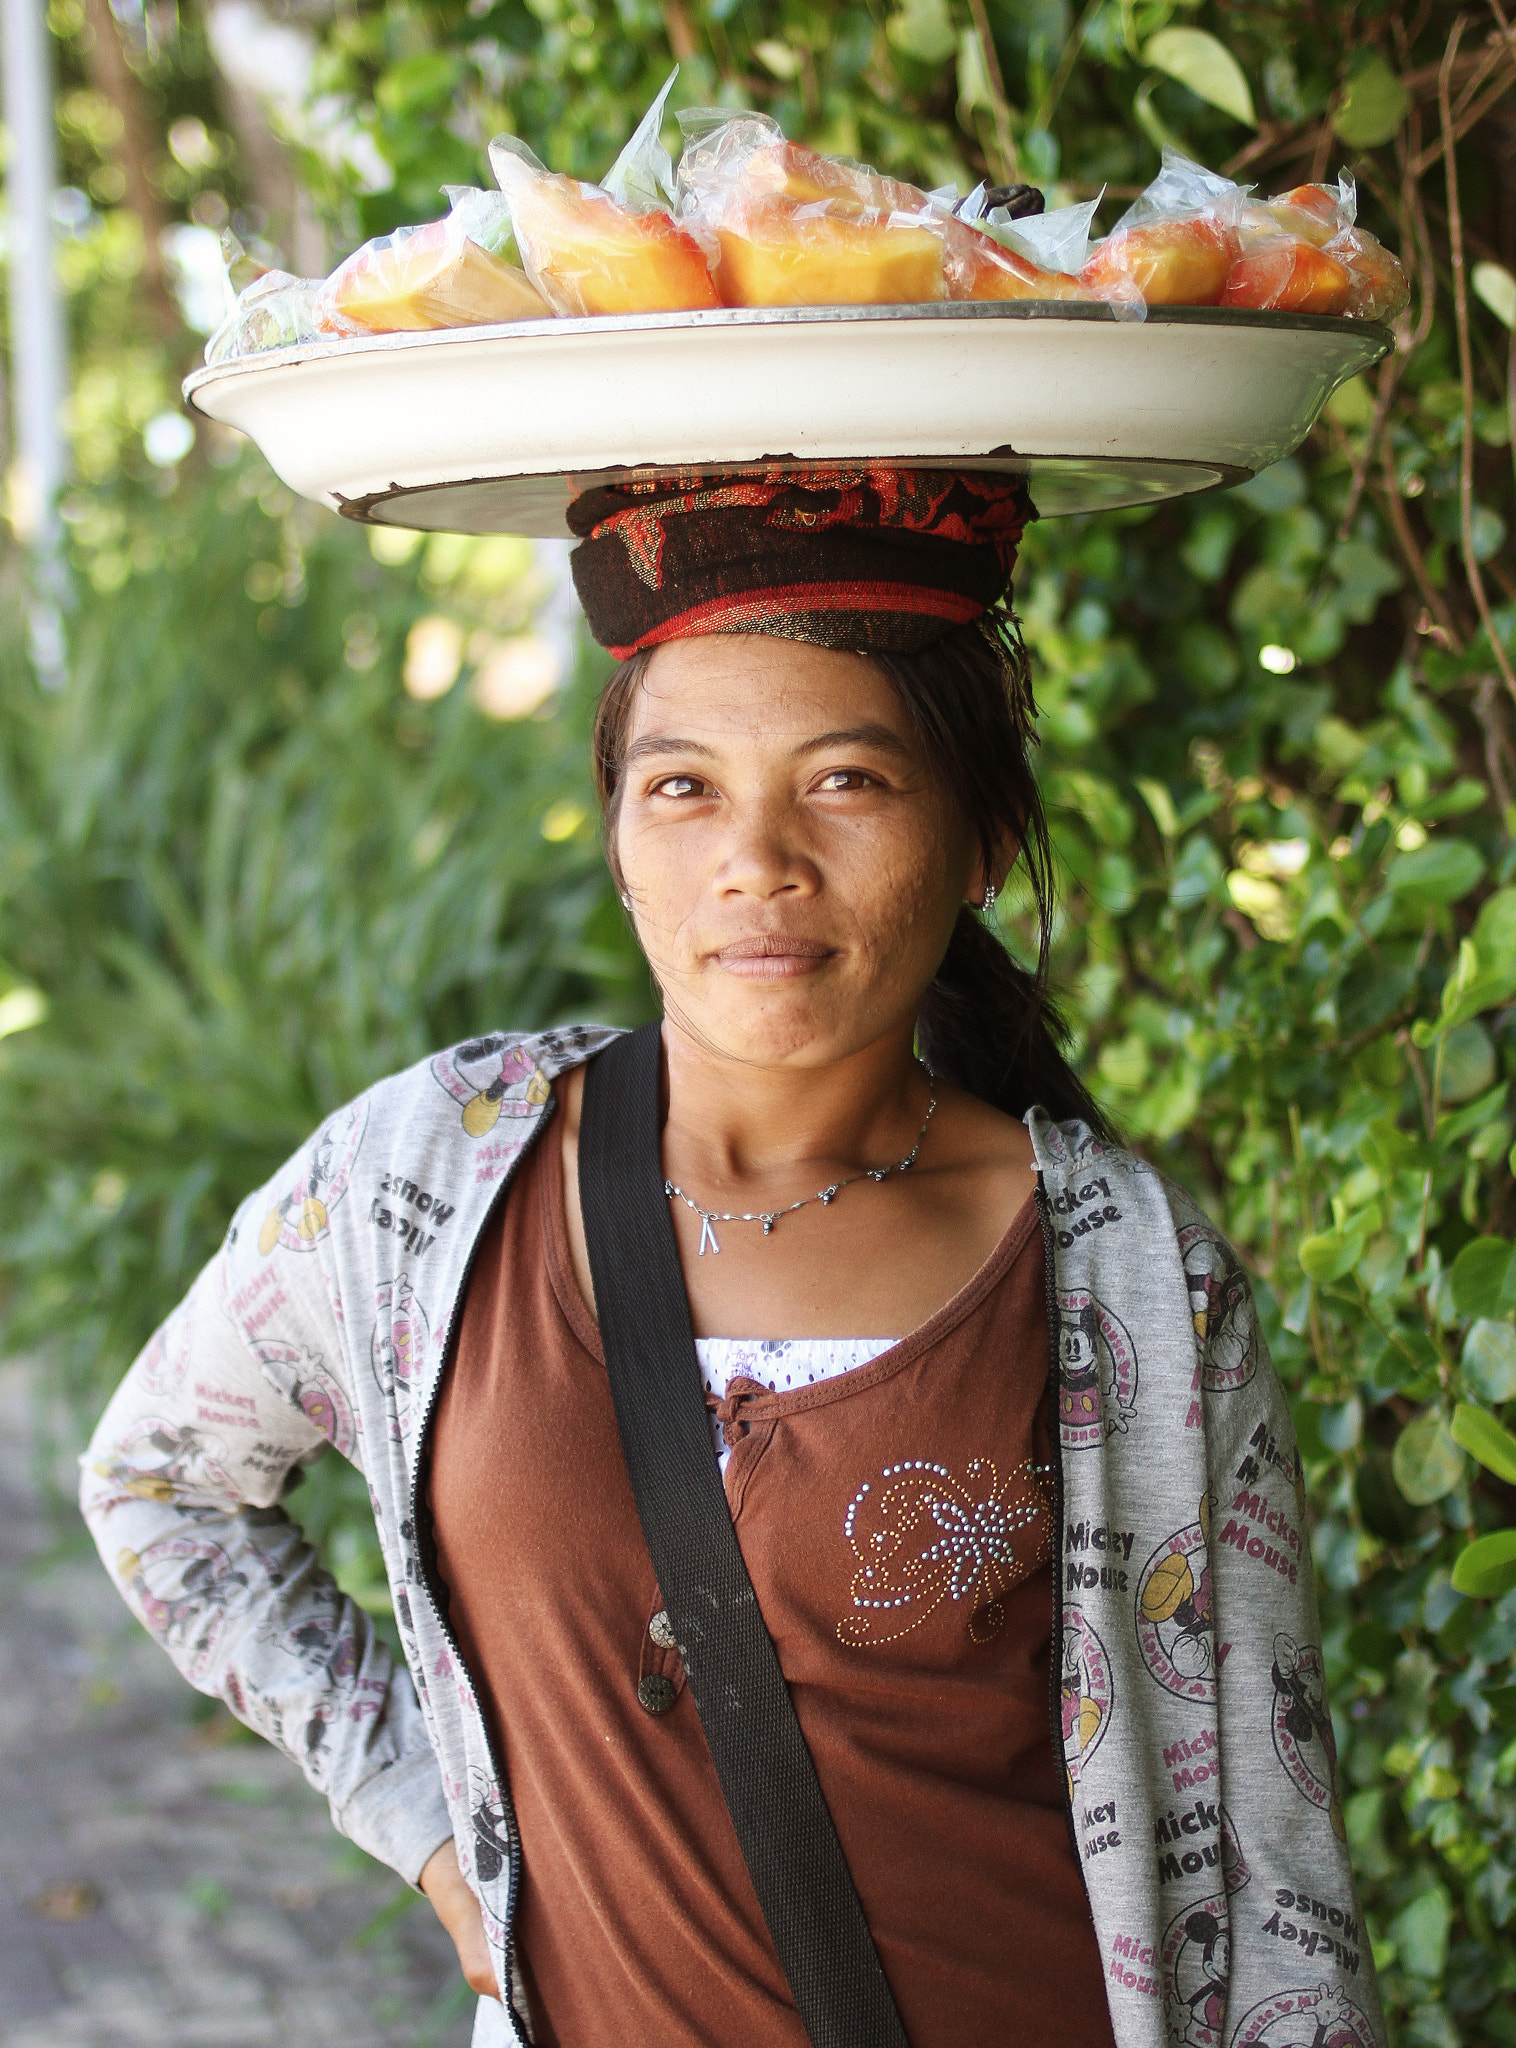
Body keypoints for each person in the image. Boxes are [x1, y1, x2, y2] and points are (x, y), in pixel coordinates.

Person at [81, 469, 1384, 2048]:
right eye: (685, 787)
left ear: (982, 838)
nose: (756, 859)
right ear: (621, 836)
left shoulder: (1129, 1283)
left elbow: (1271, 1858)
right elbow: (160, 1484)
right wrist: (430, 1831)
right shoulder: (432, 1174)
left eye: (846, 781)